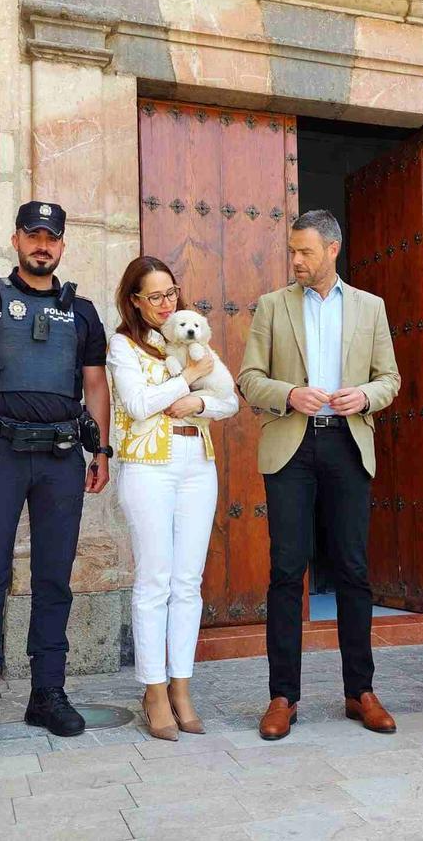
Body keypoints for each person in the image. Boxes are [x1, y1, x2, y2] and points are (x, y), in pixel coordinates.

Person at [0, 200, 112, 751]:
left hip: (60, 457)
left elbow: (97, 384)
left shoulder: (81, 311)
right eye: (33, 235)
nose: (42, 244)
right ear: (15, 240)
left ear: (62, 245)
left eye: (51, 237)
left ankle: (47, 694)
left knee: (54, 577)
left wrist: (100, 450)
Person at [237, 209, 401, 741]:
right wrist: (288, 394)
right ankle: (282, 696)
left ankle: (361, 692)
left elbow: (390, 380)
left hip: (348, 444)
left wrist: (365, 396)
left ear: (332, 249)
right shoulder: (271, 306)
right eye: (292, 251)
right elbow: (248, 379)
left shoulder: (371, 308)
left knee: (354, 569)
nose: (296, 260)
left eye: (305, 251)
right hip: (291, 445)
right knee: (286, 571)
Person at [107, 256, 238, 741]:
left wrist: (200, 400)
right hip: (148, 466)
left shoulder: (195, 341)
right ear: (135, 301)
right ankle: (154, 689)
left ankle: (182, 685)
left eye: (171, 295)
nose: (166, 305)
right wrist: (188, 378)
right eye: (155, 297)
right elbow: (138, 405)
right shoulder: (123, 346)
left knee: (188, 580)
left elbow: (228, 400)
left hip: (197, 461)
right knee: (154, 580)